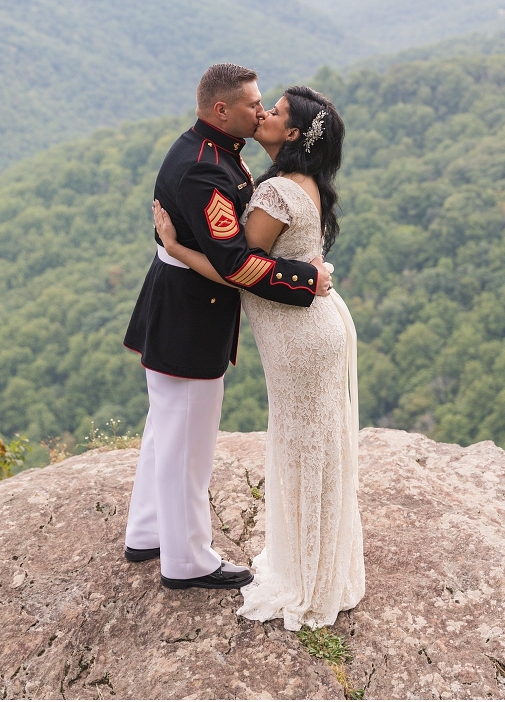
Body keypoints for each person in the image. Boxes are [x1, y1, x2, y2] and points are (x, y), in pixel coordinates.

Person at [154, 85, 365, 630]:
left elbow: (236, 268)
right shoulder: (303, 183)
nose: (264, 113)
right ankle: (319, 566)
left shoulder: (275, 195)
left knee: (301, 447)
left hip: (300, 337)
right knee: (315, 445)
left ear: (292, 134)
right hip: (314, 329)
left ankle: (306, 576)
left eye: (274, 112)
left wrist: (175, 249)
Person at [123, 64, 332, 592]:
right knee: (187, 447)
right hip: (190, 317)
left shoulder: (210, 151)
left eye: (266, 105)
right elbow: (237, 263)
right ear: (222, 110)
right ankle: (187, 559)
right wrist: (307, 280)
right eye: (252, 104)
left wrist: (174, 246)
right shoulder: (205, 169)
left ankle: (147, 531)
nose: (260, 111)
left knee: (166, 434)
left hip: (181, 308)